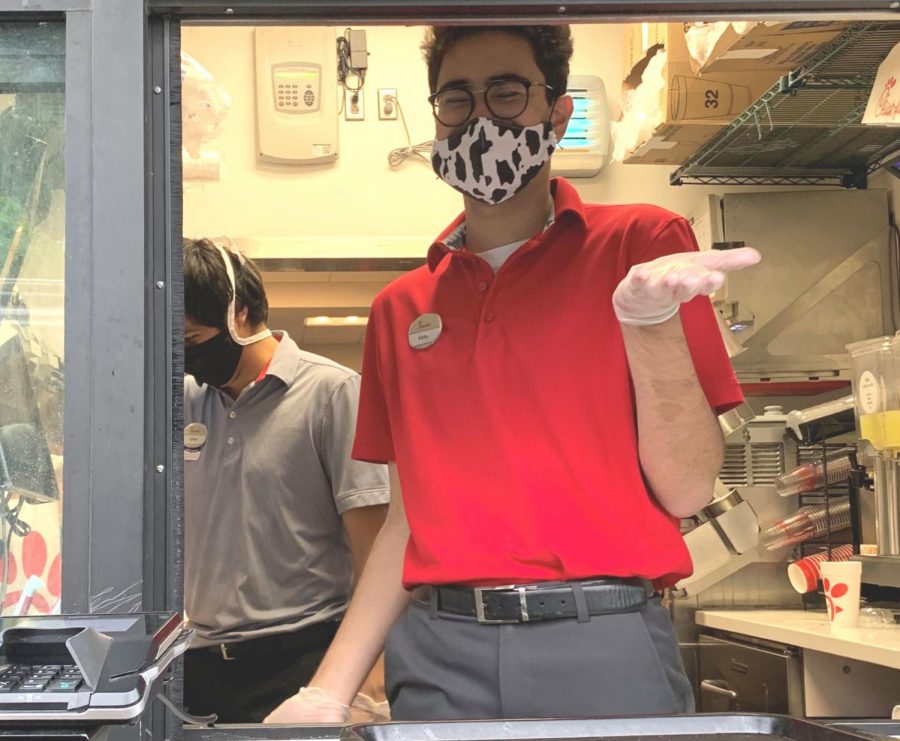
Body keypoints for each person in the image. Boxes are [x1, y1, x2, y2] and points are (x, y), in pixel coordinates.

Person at [265, 24, 761, 724]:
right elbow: (407, 522)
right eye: (457, 99)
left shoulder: (643, 249)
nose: (481, 118)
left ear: (556, 113)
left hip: (604, 638)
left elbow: (688, 486)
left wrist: (648, 328)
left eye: (507, 93)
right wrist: (327, 690)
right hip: (439, 651)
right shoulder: (398, 310)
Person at [181, 237, 390, 723]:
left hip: (303, 659)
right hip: (203, 662)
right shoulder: (186, 400)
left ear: (241, 312)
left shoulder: (332, 395)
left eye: (191, 341)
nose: (186, 358)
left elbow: (376, 553)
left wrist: (368, 685)